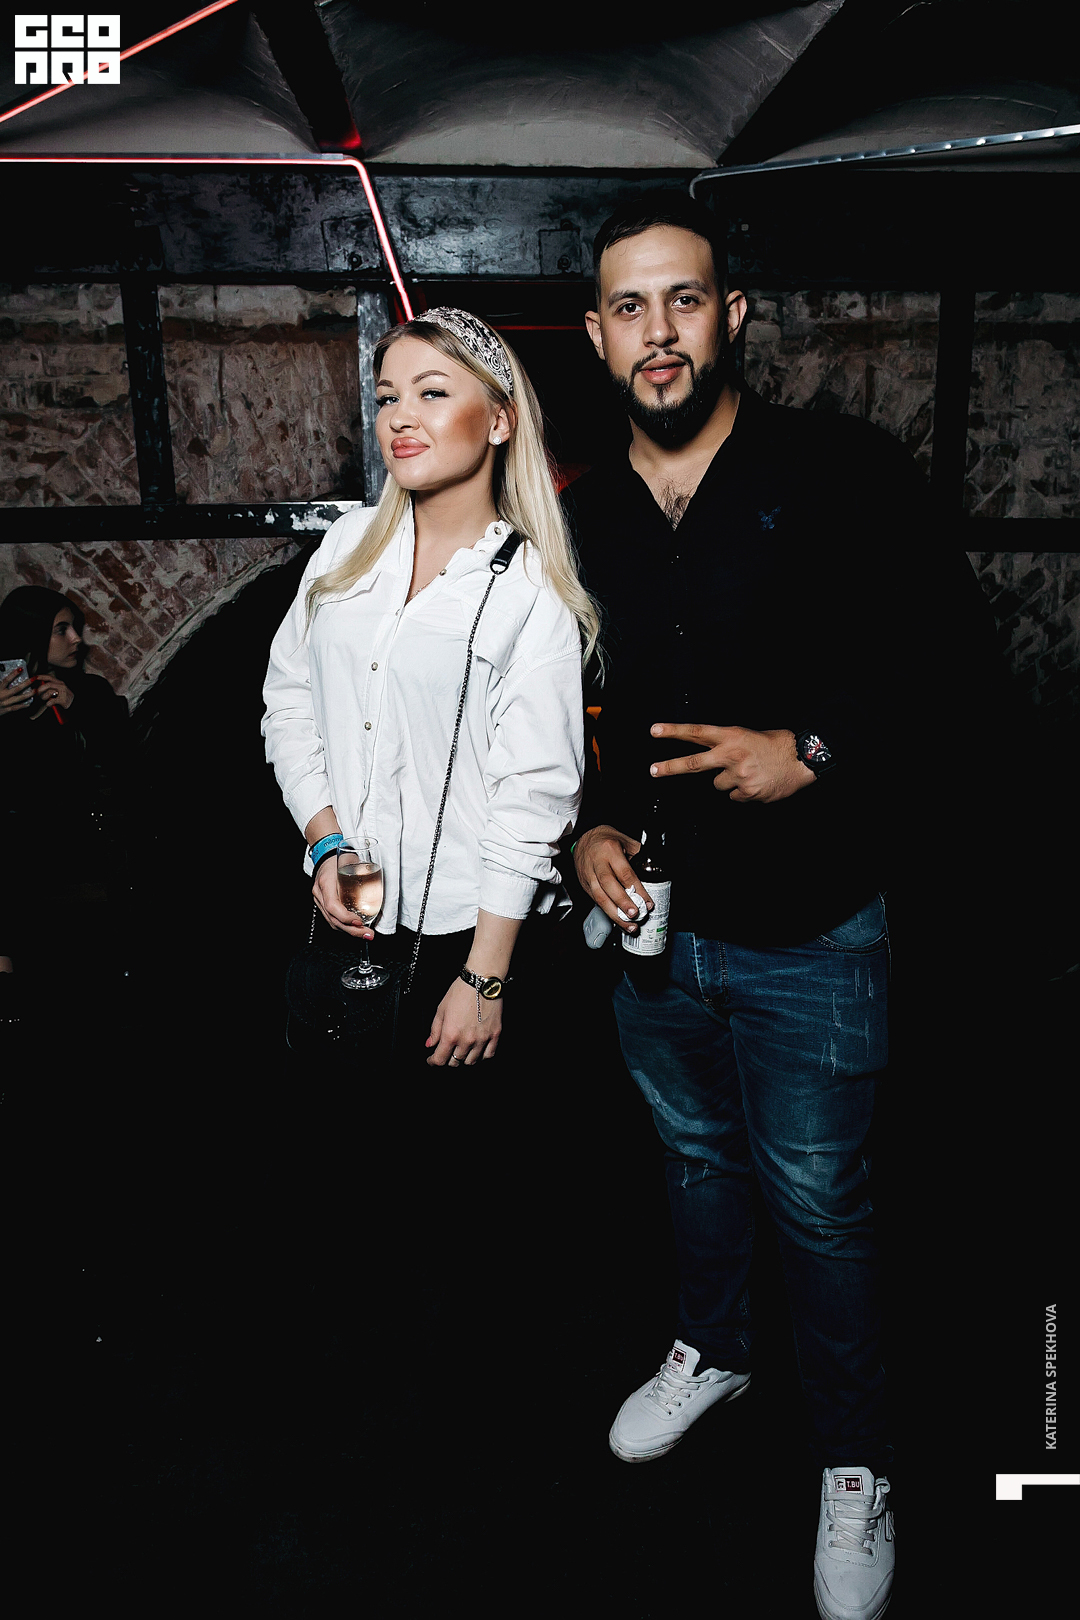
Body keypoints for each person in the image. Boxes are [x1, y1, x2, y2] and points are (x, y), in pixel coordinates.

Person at [564, 193, 995, 1620]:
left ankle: (860, 1463)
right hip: (653, 933)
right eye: (631, 307)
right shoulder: (579, 517)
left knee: (818, 1201)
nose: (659, 333)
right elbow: (565, 714)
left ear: (732, 316)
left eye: (684, 300)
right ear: (597, 334)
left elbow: (949, 656)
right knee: (694, 1158)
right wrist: (586, 829)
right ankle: (715, 1350)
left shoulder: (840, 471)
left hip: (813, 924)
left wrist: (809, 749)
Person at [262, 307, 597, 1071]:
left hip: (472, 934)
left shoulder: (530, 590)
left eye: (433, 392)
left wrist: (484, 977)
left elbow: (536, 796)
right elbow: (290, 702)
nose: (400, 417)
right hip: (349, 913)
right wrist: (327, 842)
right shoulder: (346, 546)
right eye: (387, 397)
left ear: (500, 421)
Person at [0, 585, 134, 987]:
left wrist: (78, 707)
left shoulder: (91, 693)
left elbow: (126, 764)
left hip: (90, 870)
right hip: (23, 877)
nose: (76, 639)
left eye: (75, 627)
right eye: (62, 630)